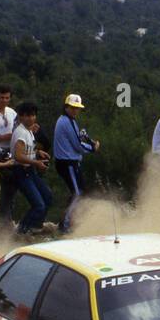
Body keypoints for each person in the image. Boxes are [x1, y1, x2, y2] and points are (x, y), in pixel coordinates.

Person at [50, 93, 98, 234]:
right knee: (77, 193)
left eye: (77, 108)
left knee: (79, 191)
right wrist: (92, 148)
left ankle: (68, 221)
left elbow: (76, 141)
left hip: (69, 162)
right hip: (68, 163)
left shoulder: (68, 120)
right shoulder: (66, 121)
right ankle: (65, 225)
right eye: (72, 107)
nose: (75, 110)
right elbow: (77, 145)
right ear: (66, 107)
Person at [11, 102, 52, 234]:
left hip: (30, 171)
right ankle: (22, 230)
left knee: (47, 196)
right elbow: (17, 156)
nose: (31, 118)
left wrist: (38, 153)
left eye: (33, 115)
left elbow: (28, 149)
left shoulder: (29, 131)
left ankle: (35, 226)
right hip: (22, 171)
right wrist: (36, 163)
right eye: (27, 115)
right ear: (21, 117)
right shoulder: (20, 133)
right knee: (38, 205)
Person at [0, 85, 19, 226]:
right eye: (2, 97)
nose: (4, 100)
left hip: (11, 154)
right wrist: (2, 137)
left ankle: (6, 222)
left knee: (10, 191)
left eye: (7, 97)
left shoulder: (12, 112)